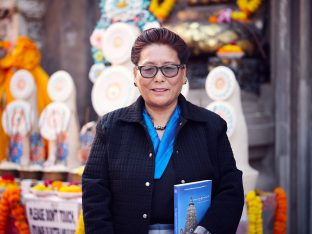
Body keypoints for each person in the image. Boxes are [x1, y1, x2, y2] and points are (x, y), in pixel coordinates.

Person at [82, 27, 244, 234]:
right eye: (148, 69)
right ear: (135, 74)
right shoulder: (111, 126)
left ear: (183, 73)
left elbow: (231, 189)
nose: (159, 78)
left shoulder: (210, 126)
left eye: (169, 68)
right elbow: (95, 194)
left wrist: (208, 229)